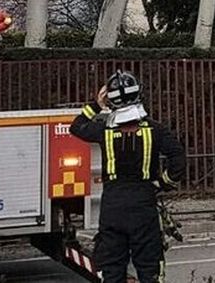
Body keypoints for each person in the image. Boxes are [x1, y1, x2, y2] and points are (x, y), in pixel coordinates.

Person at [70, 70, 186, 283]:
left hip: (112, 207)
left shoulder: (103, 130)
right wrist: (162, 183)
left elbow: (76, 127)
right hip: (143, 206)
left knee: (112, 270)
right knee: (149, 269)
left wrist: (96, 104)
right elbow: (178, 156)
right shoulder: (155, 130)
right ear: (139, 94)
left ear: (111, 100)